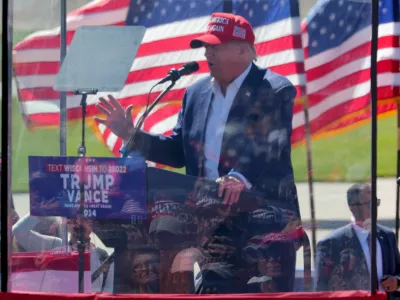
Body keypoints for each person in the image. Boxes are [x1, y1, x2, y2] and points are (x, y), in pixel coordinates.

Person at [94, 12, 299, 214]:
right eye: (206, 47)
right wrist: (132, 136)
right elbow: (178, 152)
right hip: (203, 215)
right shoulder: (195, 93)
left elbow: (268, 145)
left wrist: (238, 177)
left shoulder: (274, 90)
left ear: (242, 51)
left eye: (215, 47)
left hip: (261, 214)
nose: (207, 53)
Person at [315, 183, 400, 298]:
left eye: (376, 202)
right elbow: (321, 290)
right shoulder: (331, 243)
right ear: (352, 207)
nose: (374, 207)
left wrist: (397, 281)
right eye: (369, 203)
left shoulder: (388, 237)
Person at [12, 213, 114, 293]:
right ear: (66, 222)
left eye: (84, 219)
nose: (78, 223)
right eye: (72, 218)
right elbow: (19, 231)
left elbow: (107, 292)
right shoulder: (55, 246)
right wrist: (40, 209)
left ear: (92, 224)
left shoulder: (103, 256)